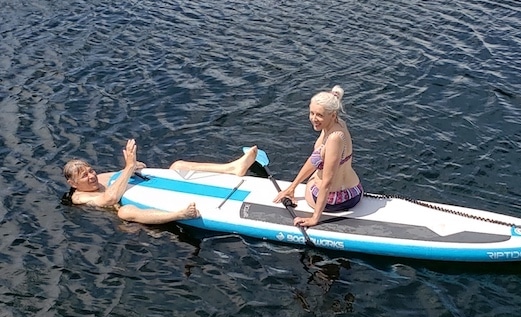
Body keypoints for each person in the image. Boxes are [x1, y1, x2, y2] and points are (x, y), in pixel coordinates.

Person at [62, 139, 258, 224]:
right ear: (73, 184)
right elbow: (109, 199)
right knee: (124, 212)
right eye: (84, 176)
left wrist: (134, 164)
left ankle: (232, 168)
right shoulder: (80, 198)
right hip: (126, 210)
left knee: (177, 165)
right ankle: (179, 215)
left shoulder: (102, 177)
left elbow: (138, 166)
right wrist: (129, 167)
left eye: (91, 171)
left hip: (143, 191)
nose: (92, 176)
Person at [274, 85, 362, 227]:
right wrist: (292, 188)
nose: (314, 119)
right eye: (312, 113)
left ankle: (307, 200)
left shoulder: (334, 139)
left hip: (335, 201)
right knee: (316, 166)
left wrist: (315, 218)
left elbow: (327, 182)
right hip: (355, 192)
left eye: (319, 115)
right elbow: (316, 158)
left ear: (332, 115)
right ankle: (292, 188)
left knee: (315, 177)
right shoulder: (337, 124)